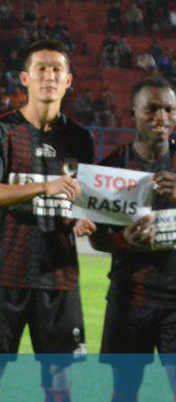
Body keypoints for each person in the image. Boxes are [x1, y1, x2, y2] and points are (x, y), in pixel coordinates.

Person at [0, 39, 96, 402]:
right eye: (41, 68)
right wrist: (47, 186)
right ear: (25, 77)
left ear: (69, 80)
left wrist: (82, 221)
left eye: (58, 69)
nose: (49, 75)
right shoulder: (0, 131)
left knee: (59, 379)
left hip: (59, 278)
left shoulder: (81, 139)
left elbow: (83, 203)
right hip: (6, 272)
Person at [86, 78, 176, 402]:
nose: (161, 117)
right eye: (152, 109)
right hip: (129, 298)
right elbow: (97, 238)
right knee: (124, 393)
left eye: (169, 109)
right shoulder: (112, 167)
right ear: (133, 112)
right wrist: (122, 240)